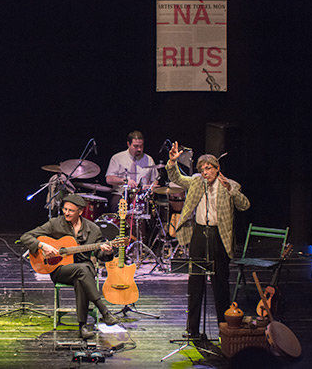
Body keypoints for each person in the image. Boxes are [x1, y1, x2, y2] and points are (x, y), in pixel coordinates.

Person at [166, 141, 250, 338]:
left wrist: (230, 189)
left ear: (217, 168)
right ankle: (193, 330)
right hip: (199, 234)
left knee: (220, 283)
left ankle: (225, 328)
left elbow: (245, 205)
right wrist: (172, 162)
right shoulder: (196, 181)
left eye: (209, 168)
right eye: (202, 169)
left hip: (219, 236)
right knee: (195, 282)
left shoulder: (230, 184)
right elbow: (176, 177)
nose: (205, 172)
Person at [20, 194, 119, 339]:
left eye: (71, 210)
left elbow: (100, 255)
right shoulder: (55, 224)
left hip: (84, 269)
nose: (66, 213)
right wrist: (43, 245)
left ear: (80, 212)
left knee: (82, 274)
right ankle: (104, 312)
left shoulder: (93, 229)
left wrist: (108, 252)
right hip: (60, 269)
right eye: (65, 209)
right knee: (82, 271)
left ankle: (83, 327)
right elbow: (26, 237)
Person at [105, 130, 159, 212]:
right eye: (136, 146)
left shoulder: (149, 159)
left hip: (142, 196)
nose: (139, 149)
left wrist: (150, 188)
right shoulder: (117, 158)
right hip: (122, 195)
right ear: (128, 144)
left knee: (153, 208)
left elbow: (155, 180)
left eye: (141, 146)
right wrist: (125, 181)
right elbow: (109, 179)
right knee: (115, 204)